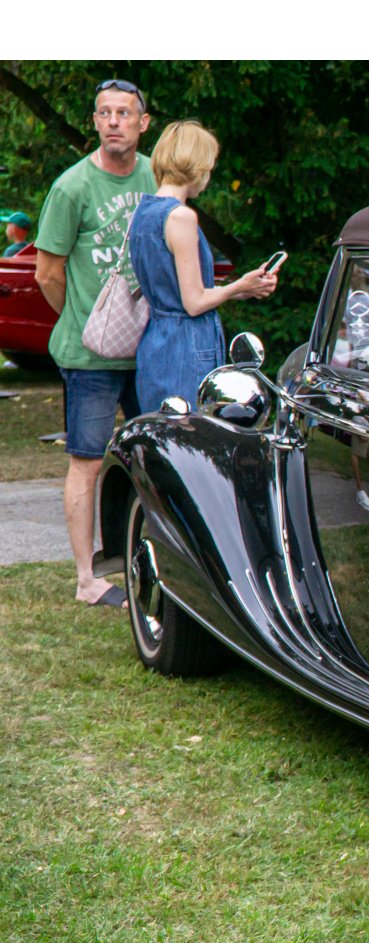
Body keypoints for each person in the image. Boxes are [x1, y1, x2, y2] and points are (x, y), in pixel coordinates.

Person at [33, 78, 157, 608]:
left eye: (124, 113)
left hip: (150, 348)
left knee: (158, 454)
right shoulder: (71, 188)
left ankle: (161, 560)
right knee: (86, 459)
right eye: (104, 113)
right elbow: (46, 272)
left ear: (142, 123)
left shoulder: (157, 174)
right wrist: (88, 321)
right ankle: (88, 580)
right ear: (94, 123)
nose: (113, 121)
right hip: (90, 357)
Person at [129, 121, 278, 415]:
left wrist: (238, 291)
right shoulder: (180, 217)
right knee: (192, 443)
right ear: (195, 165)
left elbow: (177, 290)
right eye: (208, 166)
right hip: (186, 346)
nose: (208, 175)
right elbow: (194, 303)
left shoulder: (144, 211)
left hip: (156, 341)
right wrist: (240, 286)